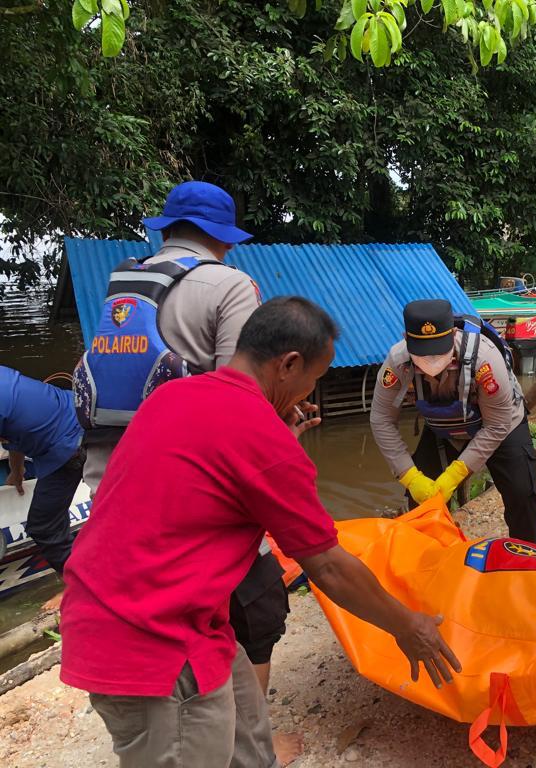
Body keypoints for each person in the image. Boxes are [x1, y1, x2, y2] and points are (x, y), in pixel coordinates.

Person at [59, 297, 462, 768]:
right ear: (288, 364)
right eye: (315, 377)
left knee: (249, 735)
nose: (312, 391)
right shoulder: (263, 440)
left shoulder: (172, 395)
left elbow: (205, 486)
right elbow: (328, 567)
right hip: (152, 640)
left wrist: (275, 441)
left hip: (128, 611)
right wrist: (407, 626)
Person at [72, 180, 296, 760]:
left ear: (167, 228)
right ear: (225, 238)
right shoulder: (230, 285)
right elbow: (243, 398)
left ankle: (226, 732)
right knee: (259, 605)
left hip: (112, 487)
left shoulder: (123, 286)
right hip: (190, 497)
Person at [370, 299, 536, 544]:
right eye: (422, 353)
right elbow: (381, 419)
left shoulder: (484, 358)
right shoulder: (398, 362)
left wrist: (456, 473)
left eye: (439, 351)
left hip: (500, 424)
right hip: (443, 427)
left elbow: (497, 424)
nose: (431, 361)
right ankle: (431, 555)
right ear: (406, 339)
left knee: (522, 494)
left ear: (453, 334)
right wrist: (409, 475)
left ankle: (527, 555)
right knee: (419, 501)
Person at [1, 367, 84, 578]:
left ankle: (85, 584)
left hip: (69, 442)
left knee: (44, 527)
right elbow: (13, 429)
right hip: (75, 412)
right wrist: (17, 471)